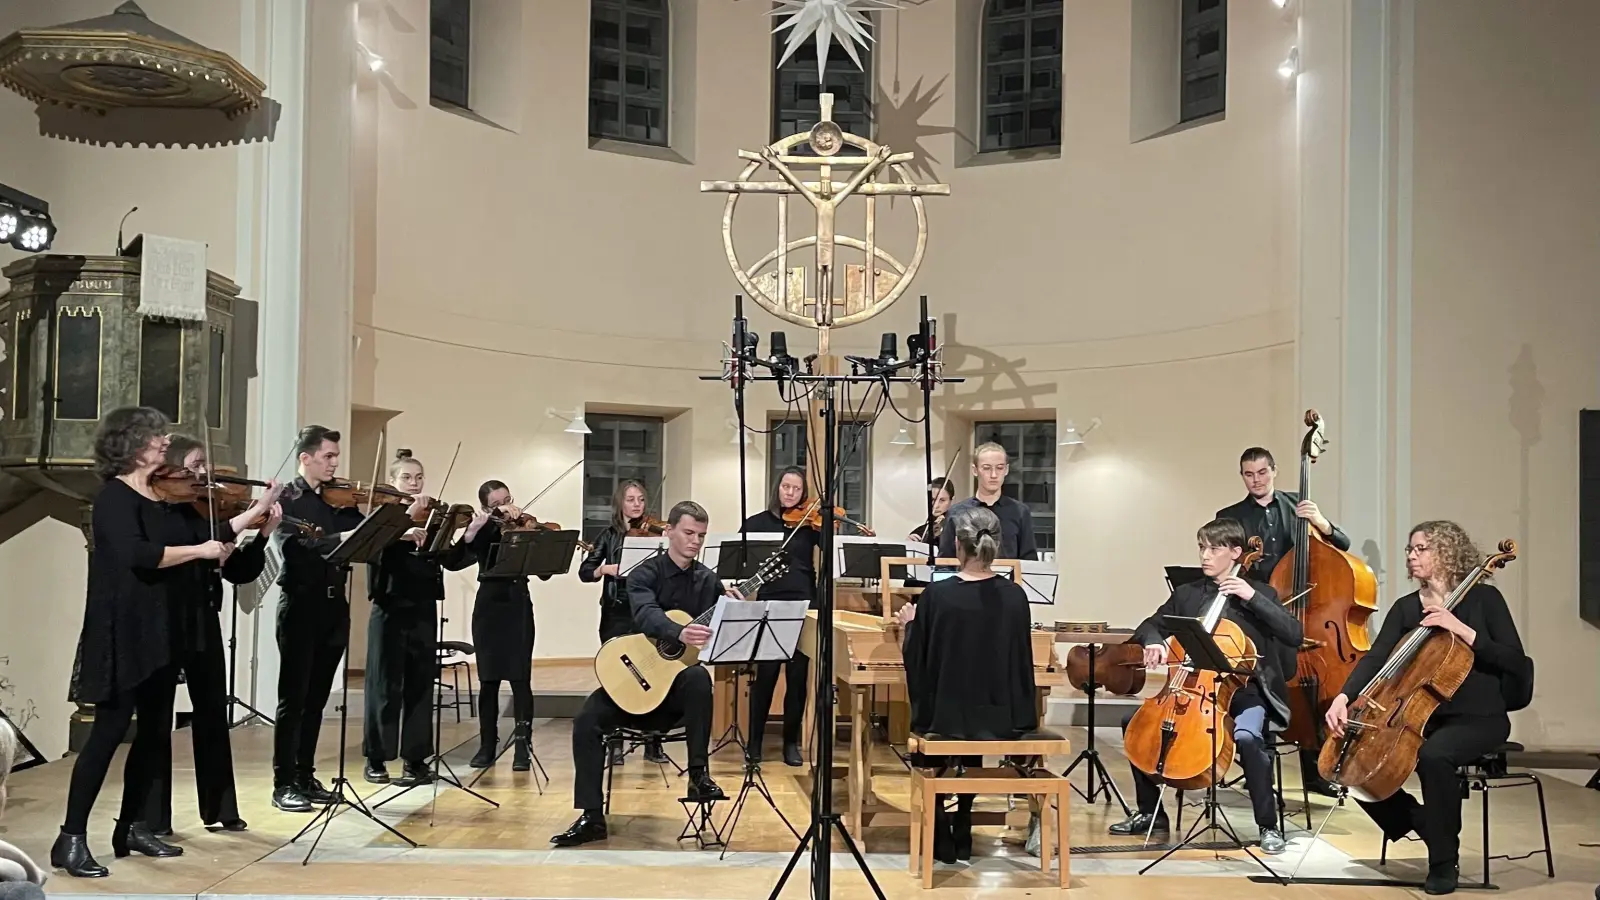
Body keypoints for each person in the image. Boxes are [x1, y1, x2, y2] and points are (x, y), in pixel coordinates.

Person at [51, 408, 267, 876]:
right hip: (123, 630)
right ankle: (69, 838)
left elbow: (203, 533)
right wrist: (200, 552)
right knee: (107, 736)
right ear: (131, 444)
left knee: (153, 733)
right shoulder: (114, 498)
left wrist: (252, 516)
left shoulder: (161, 497)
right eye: (154, 435)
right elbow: (140, 554)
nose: (162, 440)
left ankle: (131, 825)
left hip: (161, 632)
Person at [1326, 521, 1528, 896]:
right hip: (1418, 717)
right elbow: (1376, 659)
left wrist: (1464, 630)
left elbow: (1517, 662)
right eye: (1409, 549)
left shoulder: (1484, 601)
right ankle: (1424, 823)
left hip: (1478, 719)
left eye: (1421, 549)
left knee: (1434, 756)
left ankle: (1442, 864)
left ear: (1447, 554)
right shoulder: (1407, 608)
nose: (1411, 556)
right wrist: (1343, 696)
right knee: (1344, 756)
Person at [1108, 517, 1302, 855]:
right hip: (1191, 690)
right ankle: (1149, 812)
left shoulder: (1260, 594)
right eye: (1202, 547)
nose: (1205, 555)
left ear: (1237, 553)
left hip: (1245, 693)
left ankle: (1268, 825)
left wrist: (1253, 597)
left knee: (1247, 737)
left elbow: (1293, 634)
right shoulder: (1189, 594)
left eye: (1214, 548)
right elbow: (1150, 624)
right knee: (1134, 724)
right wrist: (1153, 642)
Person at [550, 501, 733, 847]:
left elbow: (718, 634)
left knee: (697, 677)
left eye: (701, 536)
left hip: (675, 695)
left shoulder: (708, 580)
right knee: (586, 720)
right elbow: (647, 615)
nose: (695, 541)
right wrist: (677, 632)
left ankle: (698, 776)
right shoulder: (645, 574)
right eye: (689, 533)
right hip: (636, 684)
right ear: (670, 532)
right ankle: (591, 816)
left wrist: (733, 608)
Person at [143, 435, 283, 836]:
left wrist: (264, 533)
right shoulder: (160, 510)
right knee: (157, 721)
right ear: (171, 470)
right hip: (165, 621)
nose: (205, 473)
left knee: (212, 714)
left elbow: (240, 573)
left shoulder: (204, 514)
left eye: (205, 464)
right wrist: (252, 510)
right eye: (196, 464)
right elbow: (182, 548)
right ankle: (154, 818)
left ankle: (221, 808)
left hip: (203, 620)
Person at [898, 504, 1037, 863]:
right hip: (1000, 717)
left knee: (941, 718)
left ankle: (942, 822)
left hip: (947, 717)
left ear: (958, 546)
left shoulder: (938, 596)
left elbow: (919, 660)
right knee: (974, 715)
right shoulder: (1015, 595)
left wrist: (909, 626)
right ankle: (964, 818)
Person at [1219, 446, 1353, 797]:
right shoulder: (1230, 517)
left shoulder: (1299, 506)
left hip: (1305, 614)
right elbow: (1224, 560)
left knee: (1312, 688)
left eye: (1262, 473)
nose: (1256, 480)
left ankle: (1316, 771)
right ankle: (1259, 772)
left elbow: (1342, 543)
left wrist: (1321, 523)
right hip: (1257, 615)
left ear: (1274, 471)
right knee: (1262, 690)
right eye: (1249, 474)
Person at [271, 426, 371, 812]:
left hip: (334, 606)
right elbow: (295, 550)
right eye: (328, 456)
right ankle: (284, 783)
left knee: (316, 701)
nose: (335, 463)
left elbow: (362, 542)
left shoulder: (339, 503)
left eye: (335, 456)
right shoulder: (287, 499)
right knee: (292, 699)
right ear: (306, 457)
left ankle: (305, 775)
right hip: (300, 605)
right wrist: (344, 536)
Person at [363, 450, 473, 786]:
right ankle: (377, 759)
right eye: (407, 478)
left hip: (424, 606)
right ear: (393, 482)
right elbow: (370, 550)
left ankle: (416, 759)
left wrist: (467, 538)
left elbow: (451, 560)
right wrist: (402, 528)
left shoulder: (434, 517)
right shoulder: (381, 515)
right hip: (390, 606)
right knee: (384, 685)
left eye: (419, 477)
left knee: (421, 686)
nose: (414, 483)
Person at [578, 479, 668, 766]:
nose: (637, 505)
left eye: (641, 499)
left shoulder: (655, 535)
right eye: (631, 500)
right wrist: (606, 568)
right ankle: (615, 741)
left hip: (648, 611)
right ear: (620, 503)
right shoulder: (608, 535)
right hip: (617, 612)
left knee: (655, 676)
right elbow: (585, 571)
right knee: (617, 677)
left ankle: (653, 742)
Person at [739, 466, 820, 767]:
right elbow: (741, 562)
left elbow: (831, 547)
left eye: (796, 489)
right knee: (766, 677)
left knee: (798, 679)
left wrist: (829, 527)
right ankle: (755, 743)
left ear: (803, 494)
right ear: (777, 488)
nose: (789, 493)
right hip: (769, 604)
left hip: (803, 605)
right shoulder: (756, 523)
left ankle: (790, 743)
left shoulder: (810, 525)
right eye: (785, 486)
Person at [459, 479, 540, 772]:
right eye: (496, 504)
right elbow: (457, 560)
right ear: (485, 508)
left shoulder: (523, 528)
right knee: (489, 681)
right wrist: (471, 532)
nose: (505, 507)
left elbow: (544, 571)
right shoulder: (483, 531)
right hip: (489, 609)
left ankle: (522, 747)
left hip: (518, 606)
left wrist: (528, 532)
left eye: (507, 499)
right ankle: (486, 746)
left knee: (521, 681)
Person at [938, 443, 1036, 561]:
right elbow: (945, 561)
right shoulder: (956, 512)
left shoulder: (1020, 512)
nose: (994, 475)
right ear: (975, 470)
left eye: (999, 468)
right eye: (986, 468)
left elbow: (1029, 560)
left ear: (1006, 470)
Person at [908, 477, 954, 545]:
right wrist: (908, 545)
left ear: (951, 500)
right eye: (932, 500)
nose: (936, 505)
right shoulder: (921, 531)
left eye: (942, 500)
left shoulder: (956, 530)